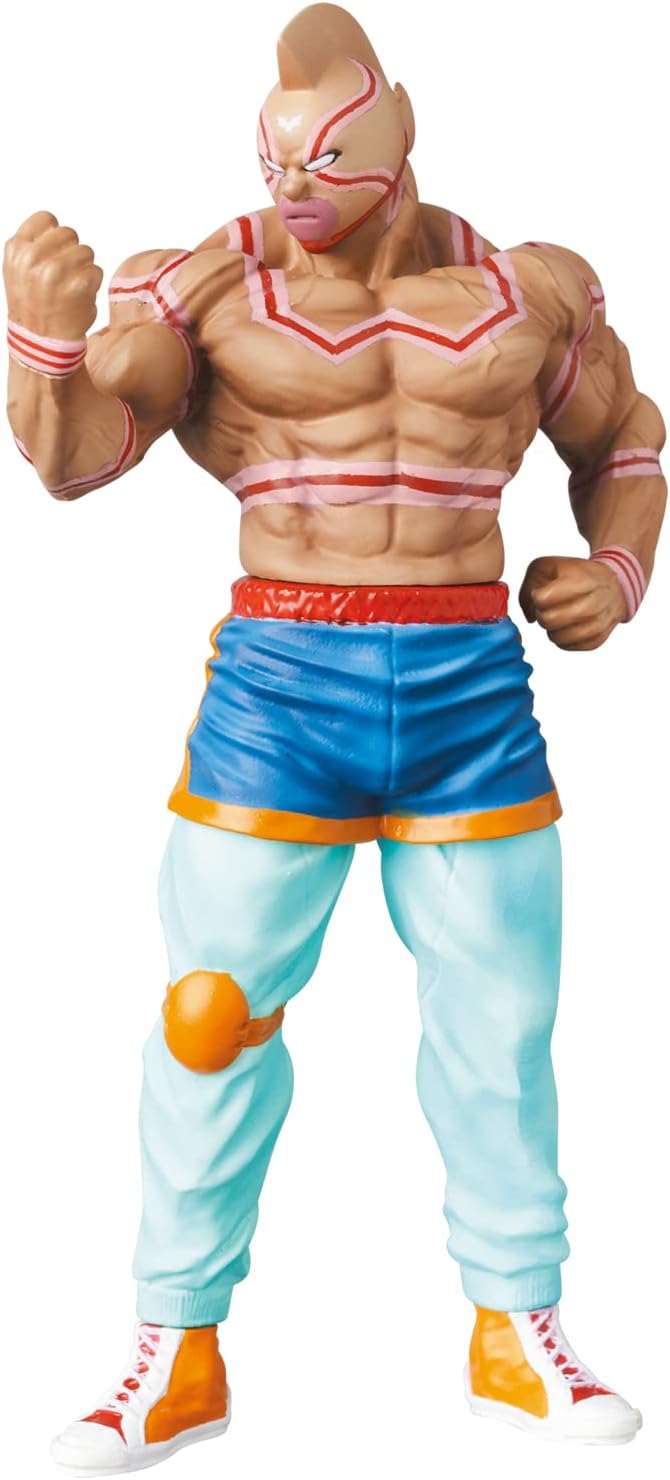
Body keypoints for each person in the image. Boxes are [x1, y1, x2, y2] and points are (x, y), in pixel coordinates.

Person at [5, 3, 665, 1470]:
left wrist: (618, 572)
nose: (290, 185)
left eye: (319, 158)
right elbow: (81, 459)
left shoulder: (528, 290)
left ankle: (516, 1327)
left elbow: (627, 438)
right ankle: (175, 1347)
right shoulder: (202, 288)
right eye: (274, 159)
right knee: (209, 1019)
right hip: (282, 691)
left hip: (468, 690)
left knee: (500, 1026)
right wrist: (41, 345)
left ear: (395, 136)